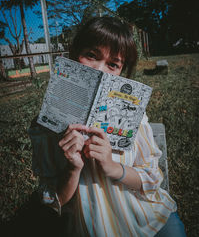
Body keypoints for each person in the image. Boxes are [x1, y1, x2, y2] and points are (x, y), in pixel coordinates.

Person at [29, 16, 186, 236]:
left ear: (122, 72)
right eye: (91, 55)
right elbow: (49, 202)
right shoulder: (45, 126)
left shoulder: (134, 117)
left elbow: (152, 178)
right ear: (73, 54)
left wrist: (112, 167)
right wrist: (72, 169)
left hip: (147, 218)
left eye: (113, 64)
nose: (100, 70)